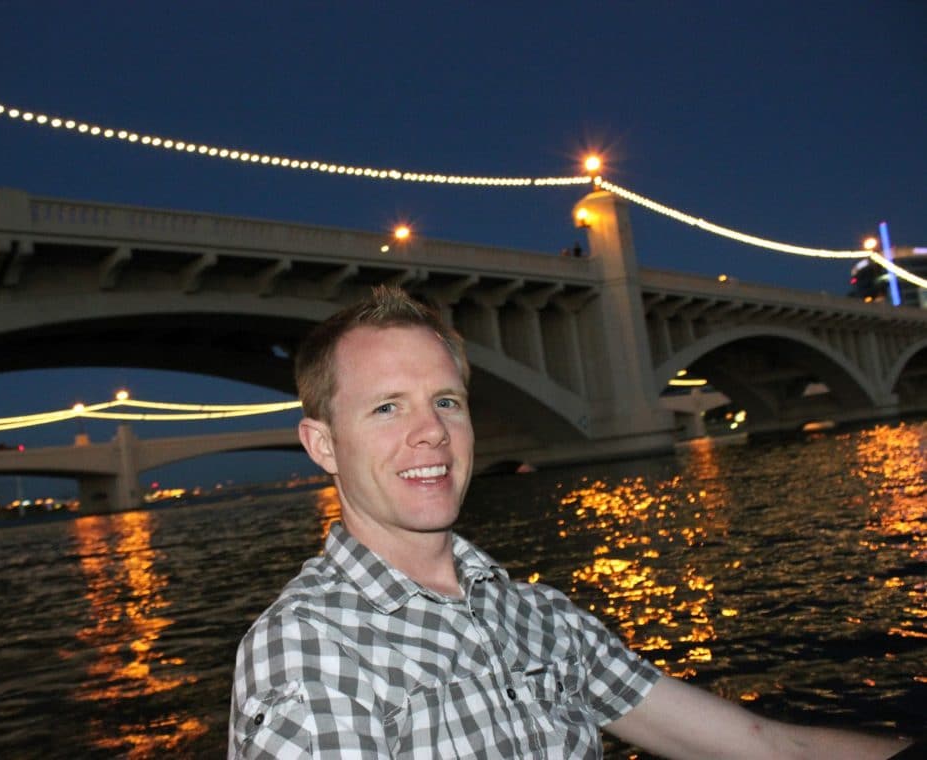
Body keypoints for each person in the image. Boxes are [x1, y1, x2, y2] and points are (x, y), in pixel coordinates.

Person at [229, 285, 914, 759]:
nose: (431, 433)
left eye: (447, 401)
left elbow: (762, 746)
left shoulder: (535, 616)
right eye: (387, 408)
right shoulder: (310, 650)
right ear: (322, 445)